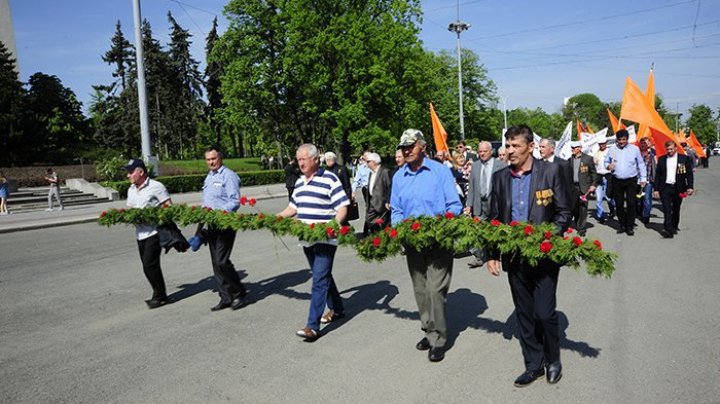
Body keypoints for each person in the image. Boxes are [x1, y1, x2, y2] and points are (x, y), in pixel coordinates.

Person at [487, 124, 571, 387]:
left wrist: (545, 239)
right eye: (507, 146)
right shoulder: (500, 178)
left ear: (530, 147)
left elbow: (564, 213)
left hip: (544, 256)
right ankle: (533, 364)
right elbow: (494, 219)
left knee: (544, 313)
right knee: (524, 313)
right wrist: (492, 253)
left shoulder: (552, 171)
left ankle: (553, 359)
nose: (509, 151)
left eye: (515, 146)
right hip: (514, 258)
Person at [390, 129, 462, 362]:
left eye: (411, 146)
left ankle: (439, 339)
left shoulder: (439, 172)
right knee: (421, 291)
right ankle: (429, 329)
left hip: (438, 241)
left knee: (435, 290)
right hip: (413, 243)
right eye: (403, 147)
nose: (406, 150)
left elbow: (454, 205)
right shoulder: (399, 176)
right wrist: (400, 228)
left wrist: (442, 225)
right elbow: (397, 210)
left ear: (422, 146)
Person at [277, 143, 350, 341]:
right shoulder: (300, 183)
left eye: (304, 159)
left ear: (315, 160)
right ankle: (337, 308)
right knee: (323, 276)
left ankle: (312, 326)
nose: (300, 162)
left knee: (319, 279)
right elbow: (293, 207)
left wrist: (334, 224)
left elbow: (343, 206)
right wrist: (277, 218)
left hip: (325, 238)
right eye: (298, 159)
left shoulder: (330, 179)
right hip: (307, 239)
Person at [194, 146, 247, 311]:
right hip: (212, 224)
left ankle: (239, 293)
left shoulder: (228, 176)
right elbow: (207, 202)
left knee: (222, 261)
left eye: (213, 159)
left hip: (226, 223)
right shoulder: (209, 177)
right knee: (216, 264)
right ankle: (225, 297)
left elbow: (235, 201)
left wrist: (219, 213)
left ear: (220, 158)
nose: (211, 162)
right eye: (208, 159)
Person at [124, 159, 172, 309]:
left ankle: (160, 296)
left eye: (131, 172)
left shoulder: (156, 187)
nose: (128, 175)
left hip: (154, 232)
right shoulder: (131, 189)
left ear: (141, 172)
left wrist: (154, 217)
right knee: (148, 266)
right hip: (140, 234)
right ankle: (159, 293)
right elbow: (130, 208)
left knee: (149, 265)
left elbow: (168, 207)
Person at [464, 141, 506, 268]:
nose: (481, 154)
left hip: (495, 203)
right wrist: (468, 205)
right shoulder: (475, 166)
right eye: (480, 151)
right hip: (479, 203)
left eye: (484, 151)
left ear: (491, 151)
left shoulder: (501, 165)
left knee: (494, 230)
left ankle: (495, 255)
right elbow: (471, 187)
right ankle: (479, 256)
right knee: (477, 231)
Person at [605, 129, 647, 235]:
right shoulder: (612, 150)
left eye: (623, 139)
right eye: (619, 140)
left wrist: (643, 178)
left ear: (627, 139)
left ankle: (630, 226)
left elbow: (641, 164)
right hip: (617, 180)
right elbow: (606, 161)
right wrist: (608, 166)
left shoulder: (635, 149)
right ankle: (622, 224)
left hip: (631, 180)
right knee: (618, 204)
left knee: (631, 203)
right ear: (617, 140)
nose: (621, 142)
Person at [653, 141, 694, 238]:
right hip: (665, 187)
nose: (669, 151)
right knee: (667, 209)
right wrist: (656, 189)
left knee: (676, 208)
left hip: (678, 188)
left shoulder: (684, 159)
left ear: (676, 148)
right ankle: (668, 229)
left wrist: (690, 187)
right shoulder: (662, 159)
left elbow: (689, 174)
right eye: (667, 149)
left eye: (671, 149)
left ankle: (674, 226)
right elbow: (658, 175)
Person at [569, 141, 598, 236]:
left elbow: (593, 173)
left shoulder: (588, 159)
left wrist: (593, 184)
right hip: (573, 187)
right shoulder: (569, 160)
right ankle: (578, 222)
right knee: (574, 208)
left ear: (579, 148)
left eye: (574, 148)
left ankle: (581, 228)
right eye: (572, 148)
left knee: (583, 208)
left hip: (585, 187)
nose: (572, 149)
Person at [364, 152, 391, 233]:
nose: (367, 163)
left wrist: (388, 201)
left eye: (368, 161)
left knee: (382, 224)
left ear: (374, 162)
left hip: (382, 203)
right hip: (372, 202)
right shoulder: (371, 173)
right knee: (370, 221)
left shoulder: (385, 171)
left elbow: (389, 186)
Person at [593, 135, 615, 223]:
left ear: (606, 144)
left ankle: (612, 209)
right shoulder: (596, 152)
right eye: (600, 144)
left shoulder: (610, 151)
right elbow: (593, 165)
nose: (602, 145)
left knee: (608, 197)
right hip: (599, 176)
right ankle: (600, 215)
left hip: (608, 176)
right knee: (599, 198)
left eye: (603, 144)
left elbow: (614, 162)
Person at [636, 138, 656, 225]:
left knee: (647, 199)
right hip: (637, 181)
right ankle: (639, 213)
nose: (643, 144)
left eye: (645, 143)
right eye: (642, 143)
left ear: (649, 144)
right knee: (638, 199)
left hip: (648, 181)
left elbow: (656, 168)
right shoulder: (636, 154)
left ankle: (646, 216)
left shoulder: (653, 154)